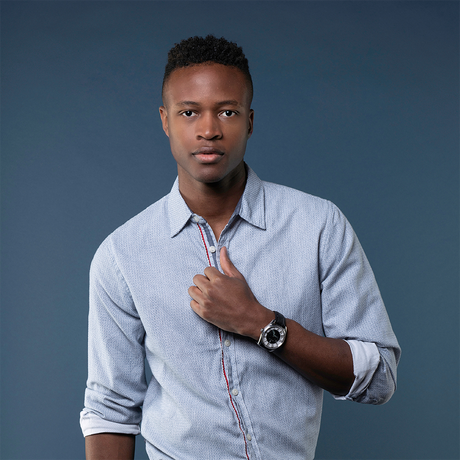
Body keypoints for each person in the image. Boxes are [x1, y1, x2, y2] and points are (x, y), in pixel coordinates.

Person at [81, 35, 400, 460]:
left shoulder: (318, 225)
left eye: (227, 111)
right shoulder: (122, 255)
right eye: (189, 112)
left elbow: (378, 378)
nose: (208, 129)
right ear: (165, 120)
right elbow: (110, 411)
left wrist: (260, 323)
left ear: (249, 121)